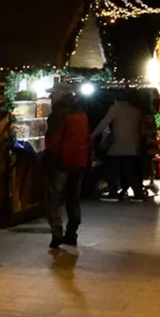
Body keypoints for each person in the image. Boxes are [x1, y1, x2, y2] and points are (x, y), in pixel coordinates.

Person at [44, 82, 91, 248]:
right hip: (79, 161)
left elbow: (54, 140)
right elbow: (86, 139)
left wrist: (50, 158)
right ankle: (72, 233)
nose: (50, 97)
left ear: (62, 94)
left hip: (61, 162)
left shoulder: (58, 114)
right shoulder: (81, 112)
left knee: (53, 199)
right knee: (73, 199)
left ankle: (57, 233)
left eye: (53, 93)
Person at [92, 90, 146, 201]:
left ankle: (113, 194)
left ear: (116, 99)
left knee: (111, 170)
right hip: (133, 147)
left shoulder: (115, 109)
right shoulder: (136, 111)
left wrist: (92, 135)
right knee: (129, 171)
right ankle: (138, 194)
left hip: (118, 146)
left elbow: (104, 123)